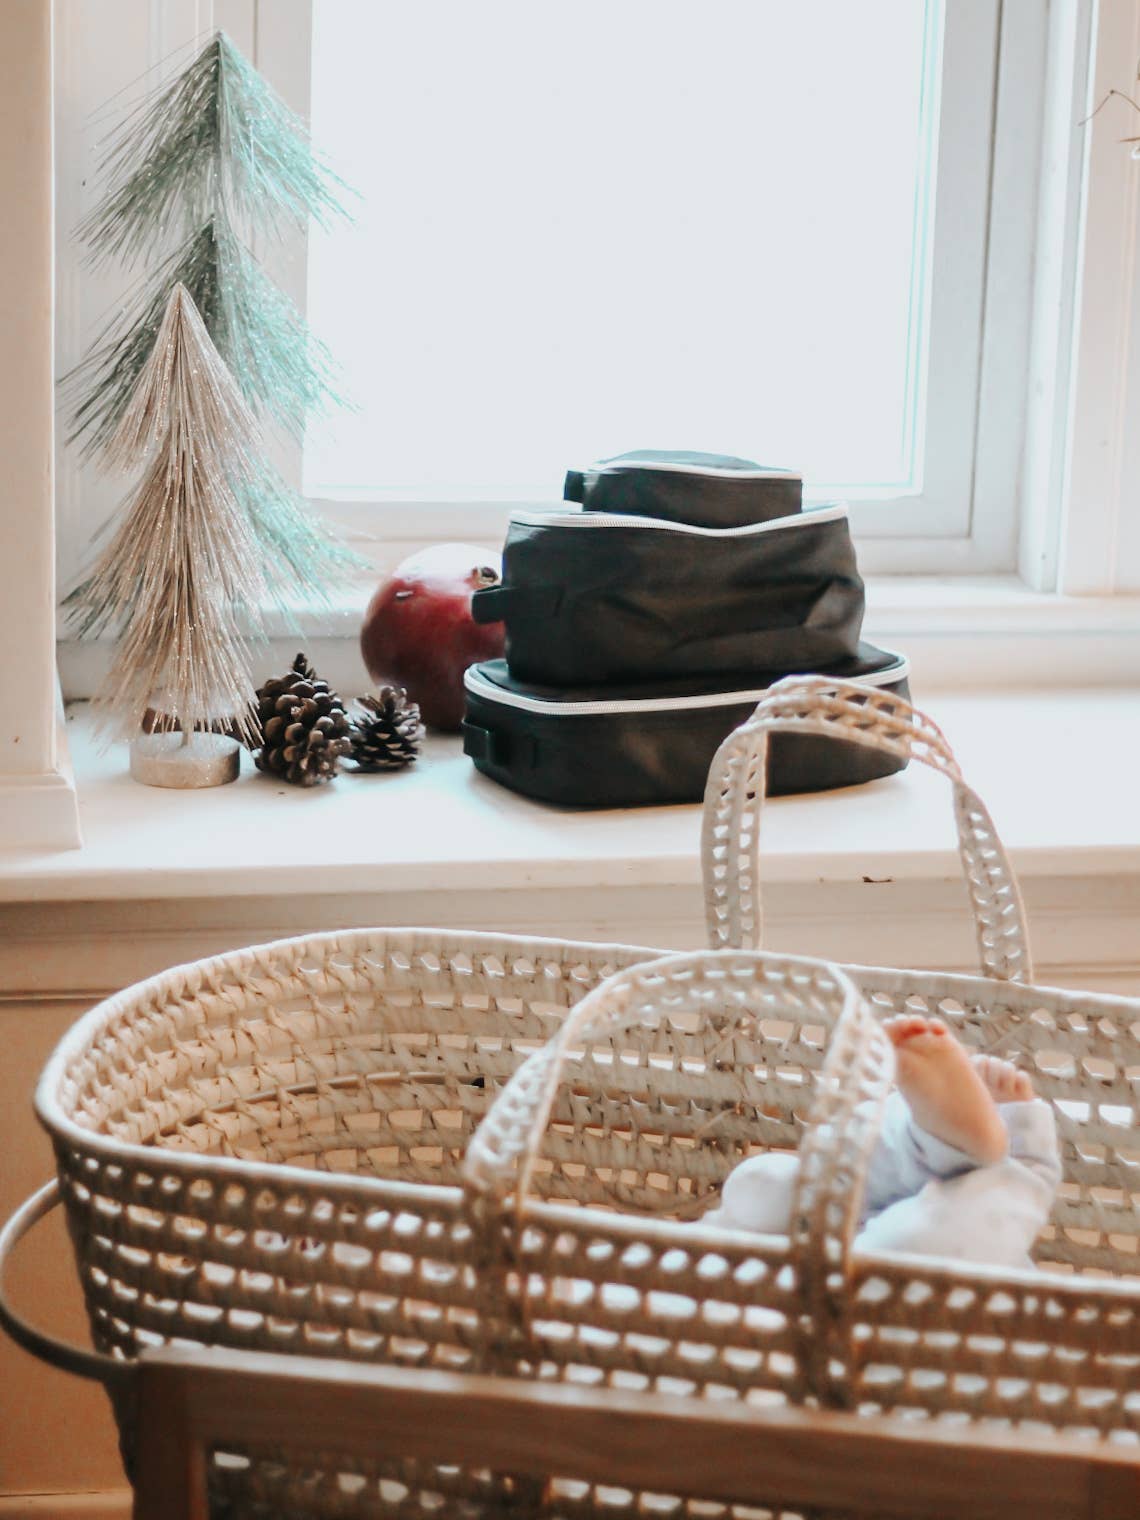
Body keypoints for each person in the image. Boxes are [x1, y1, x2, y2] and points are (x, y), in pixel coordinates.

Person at [704, 1015, 1061, 1269]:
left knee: (757, 1189)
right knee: (903, 1251)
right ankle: (995, 1161)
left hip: (758, 1256)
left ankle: (930, 1141)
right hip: (858, 1300)